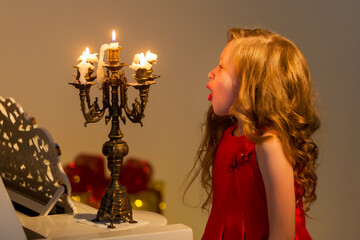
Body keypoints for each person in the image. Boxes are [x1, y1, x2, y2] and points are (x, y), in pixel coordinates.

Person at [185, 28, 320, 239]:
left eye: (221, 67)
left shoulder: (269, 144)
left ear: (251, 83)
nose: (211, 73)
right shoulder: (228, 134)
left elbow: (282, 234)